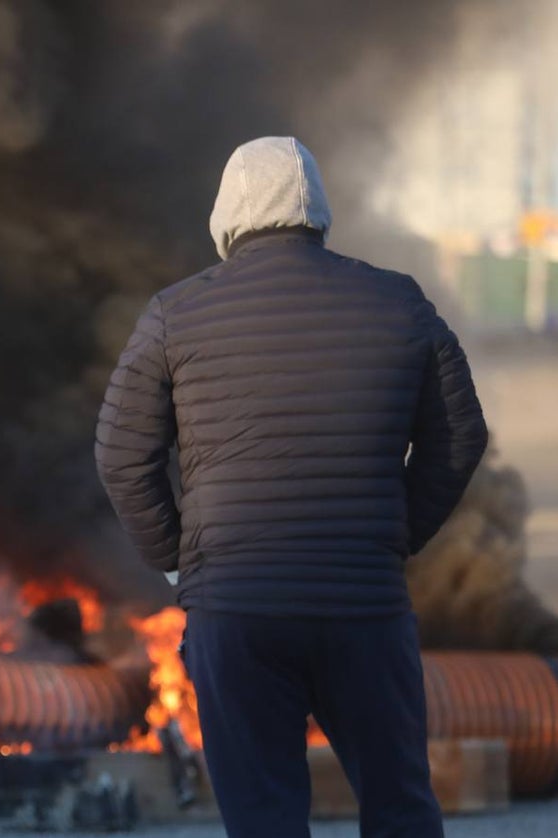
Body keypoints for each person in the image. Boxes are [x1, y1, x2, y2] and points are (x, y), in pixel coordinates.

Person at [95, 136, 487, 838]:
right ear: (320, 216)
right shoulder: (400, 302)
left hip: (237, 609)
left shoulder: (174, 313)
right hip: (363, 606)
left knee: (264, 818)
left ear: (227, 218)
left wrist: (181, 563)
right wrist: (392, 538)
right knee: (400, 807)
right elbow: (459, 439)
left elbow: (122, 455)